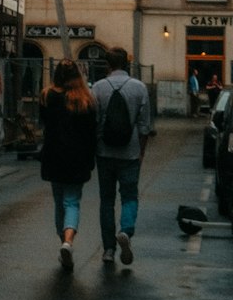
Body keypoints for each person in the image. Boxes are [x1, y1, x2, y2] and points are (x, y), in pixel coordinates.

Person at [92, 47, 152, 265]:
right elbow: (145, 126)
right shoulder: (139, 88)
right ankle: (125, 230)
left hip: (104, 152)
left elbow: (94, 122)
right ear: (126, 64)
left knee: (106, 200)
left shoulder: (98, 88)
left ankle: (108, 249)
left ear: (107, 65)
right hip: (130, 152)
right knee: (129, 196)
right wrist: (141, 151)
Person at [39, 59, 97, 272]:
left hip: (54, 155)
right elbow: (91, 133)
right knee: (72, 202)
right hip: (77, 157)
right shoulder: (85, 100)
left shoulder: (47, 96)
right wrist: (91, 160)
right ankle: (68, 241)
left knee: (58, 201)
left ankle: (62, 240)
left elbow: (44, 124)